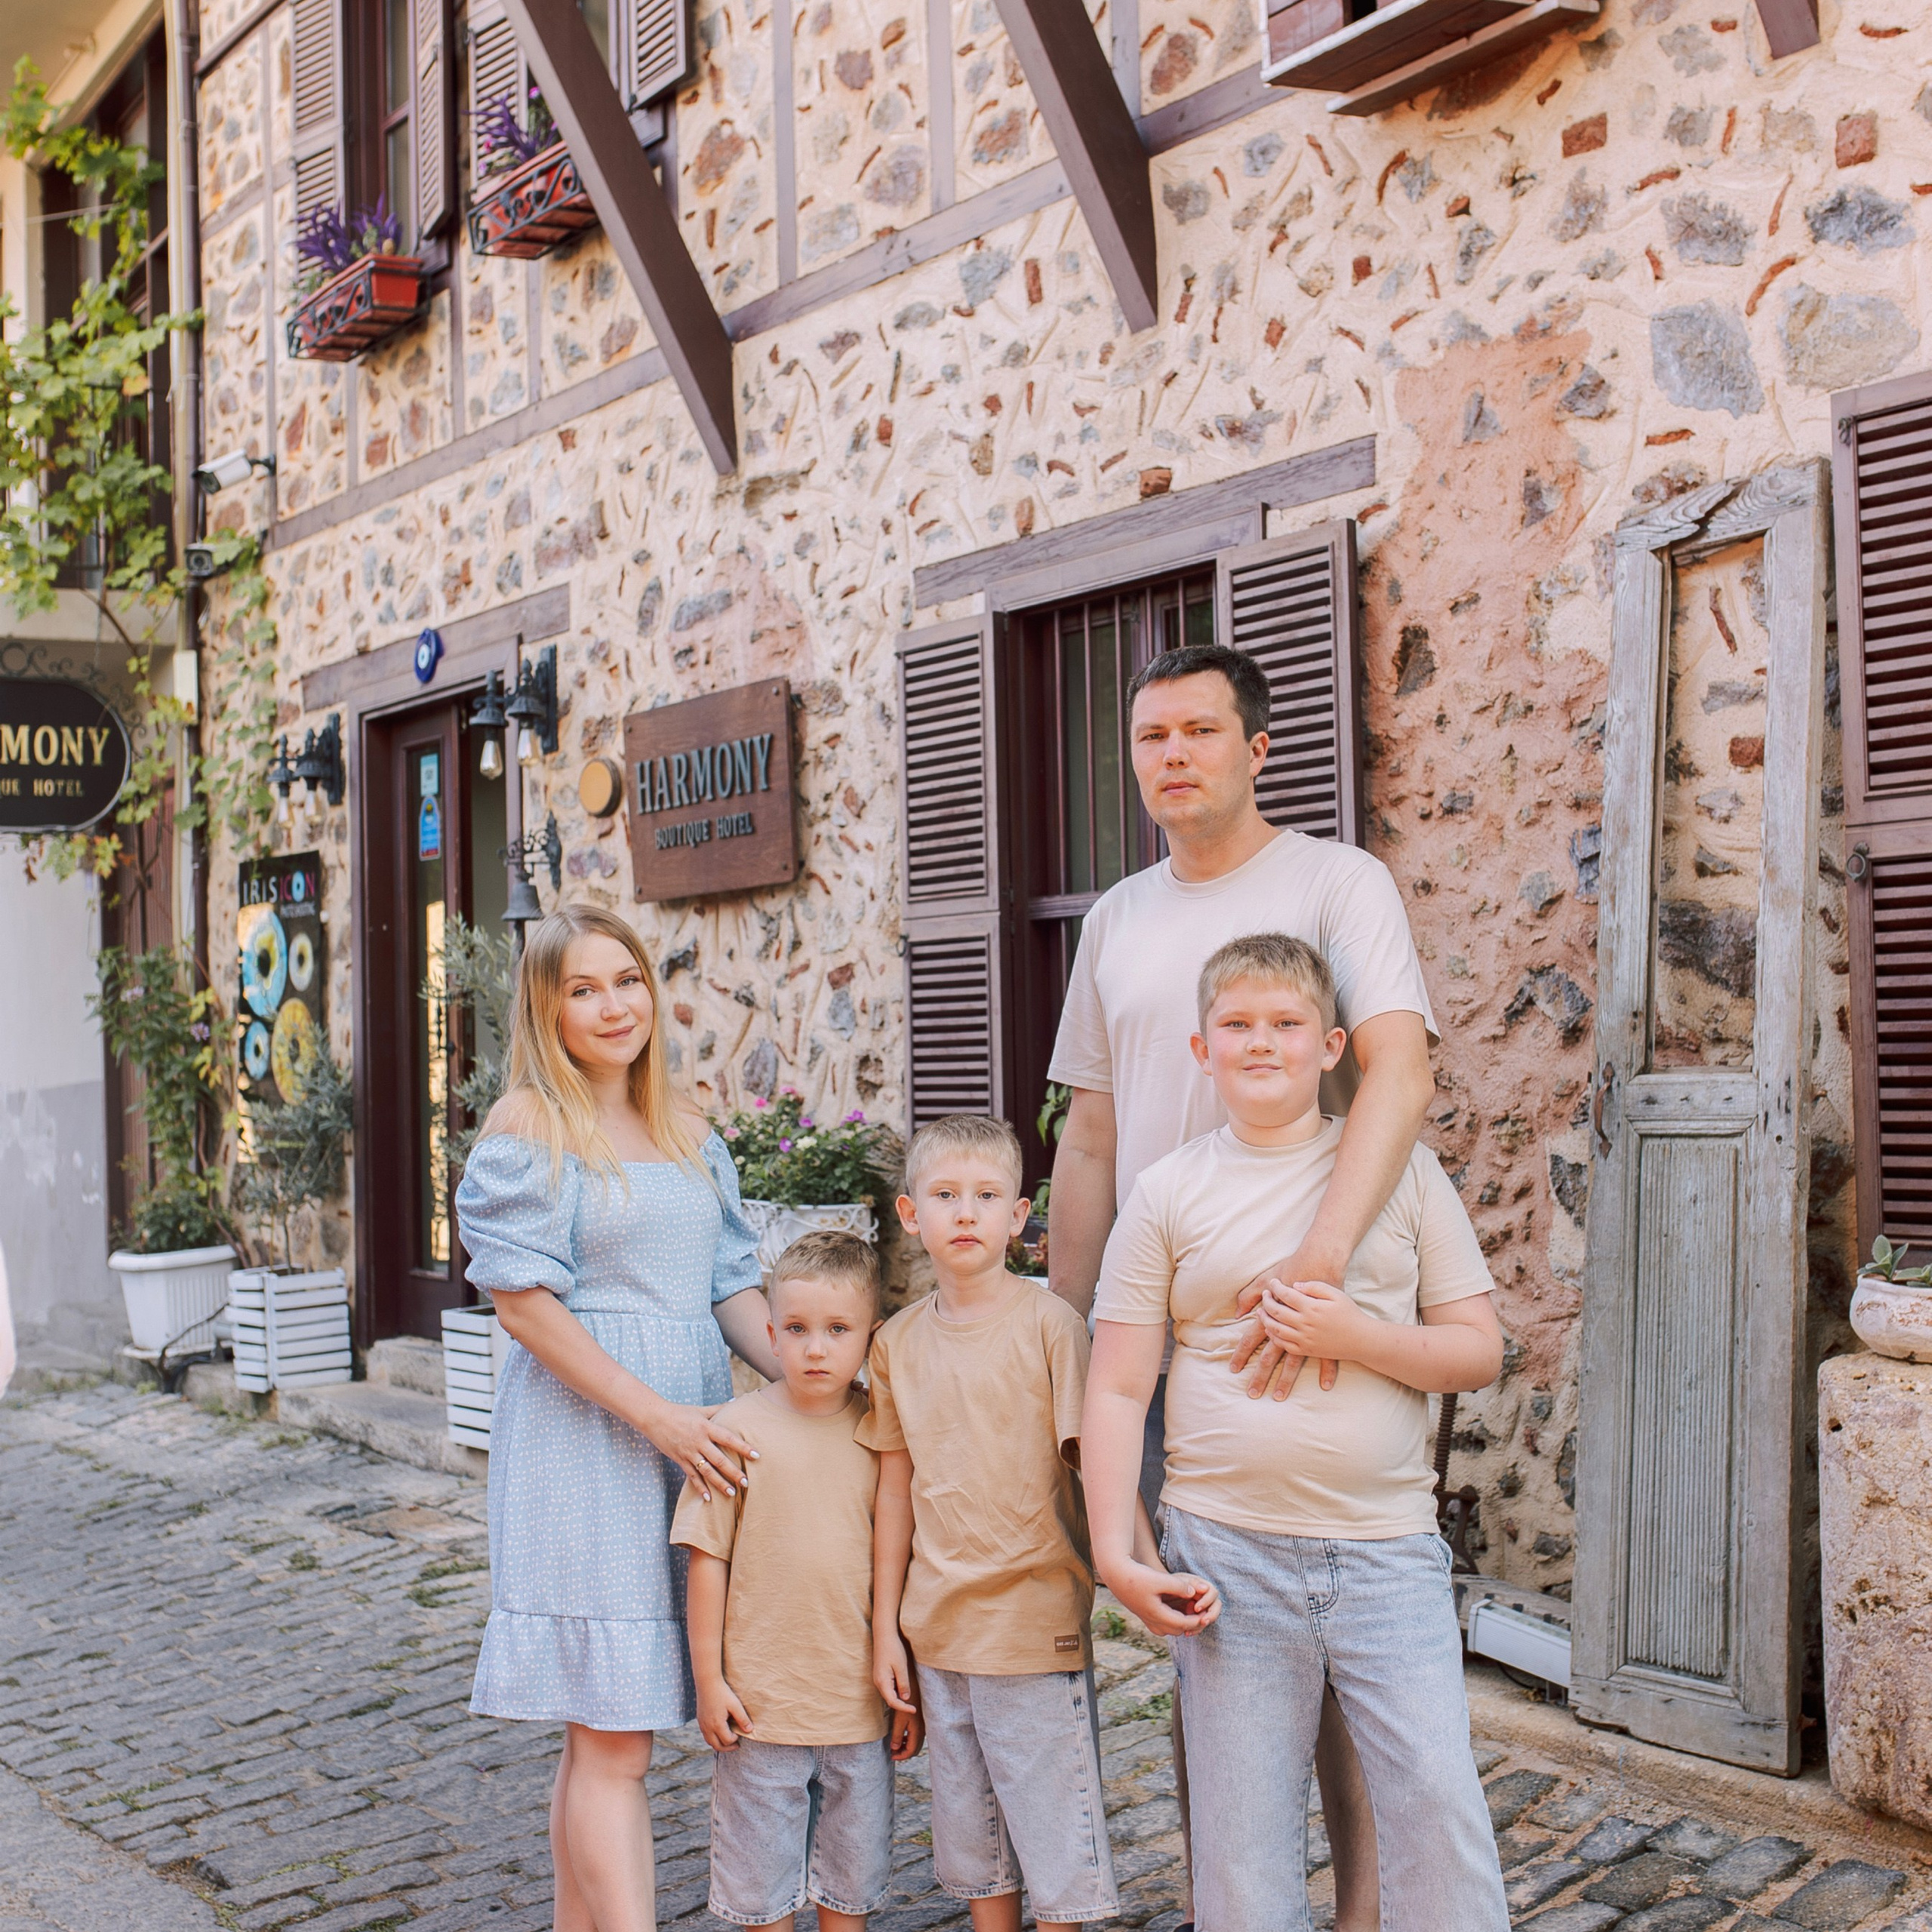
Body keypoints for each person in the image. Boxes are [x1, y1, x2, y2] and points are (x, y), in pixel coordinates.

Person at [1046, 640, 1441, 1930]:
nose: (1172, 756)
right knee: (1209, 1636)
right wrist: (1070, 1336)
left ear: (1258, 748)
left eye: (1200, 732)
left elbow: (1398, 1072)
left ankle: (1369, 1913)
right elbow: (1091, 1139)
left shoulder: (1339, 881)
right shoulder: (1114, 918)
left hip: (1318, 1317)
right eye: (1152, 736)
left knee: (1351, 1651)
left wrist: (1323, 1262)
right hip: (1165, 1331)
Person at [1084, 934, 1509, 1932]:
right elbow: (1114, 1386)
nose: (1260, 1044)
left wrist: (1353, 1334)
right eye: (1237, 1026)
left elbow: (1479, 1350)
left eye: (1285, 1025)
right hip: (1228, 1557)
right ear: (1201, 1051)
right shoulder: (1168, 1192)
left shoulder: (1403, 1176)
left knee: (1439, 1811)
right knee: (1241, 1852)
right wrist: (1115, 1549)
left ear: (1333, 1048)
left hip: (1386, 1555)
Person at [453, 904, 782, 1932]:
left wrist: (825, 1380)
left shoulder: (687, 1127)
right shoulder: (527, 1131)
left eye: (627, 980)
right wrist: (664, 1420)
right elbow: (524, 1308)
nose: (613, 1005)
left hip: (683, 1438)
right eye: (583, 988)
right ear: (544, 1008)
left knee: (602, 1737)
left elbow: (730, 1286)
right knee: (616, 1740)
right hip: (587, 1442)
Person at [862, 1115, 1208, 1932]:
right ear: (911, 1214)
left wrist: (1141, 1566)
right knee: (974, 1839)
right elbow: (891, 1489)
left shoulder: (1052, 1326)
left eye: (986, 1196)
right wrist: (885, 1629)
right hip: (937, 1632)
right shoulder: (895, 1343)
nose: (965, 1213)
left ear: (1020, 1216)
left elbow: (1100, 1461)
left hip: (1031, 1625)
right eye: (944, 1196)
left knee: (1056, 1842)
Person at [672, 1230, 921, 1932]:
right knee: (760, 1889)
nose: (817, 1348)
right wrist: (710, 1680)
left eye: (838, 1330)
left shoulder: (883, 1435)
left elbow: (898, 1569)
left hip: (857, 1708)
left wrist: (911, 1695)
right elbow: (707, 1560)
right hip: (763, 1709)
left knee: (851, 1884)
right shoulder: (735, 1433)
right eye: (799, 1330)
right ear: (772, 1334)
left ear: (870, 1337)